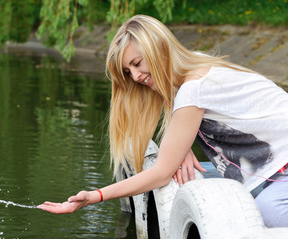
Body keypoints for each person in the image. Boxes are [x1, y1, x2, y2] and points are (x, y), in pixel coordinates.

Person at [38, 15, 288, 227]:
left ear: (159, 48)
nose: (135, 76)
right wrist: (181, 145)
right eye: (128, 71)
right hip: (275, 172)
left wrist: (95, 195)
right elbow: (179, 113)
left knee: (268, 210)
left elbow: (160, 174)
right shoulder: (191, 71)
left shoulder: (193, 89)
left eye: (137, 63)